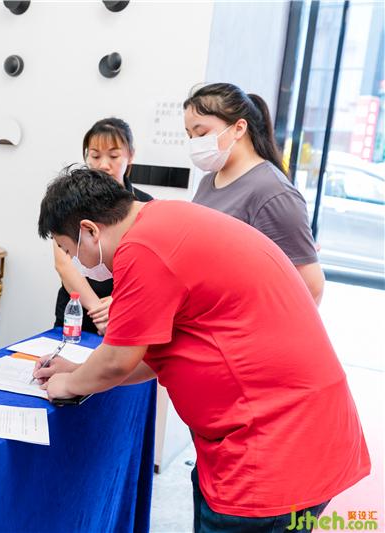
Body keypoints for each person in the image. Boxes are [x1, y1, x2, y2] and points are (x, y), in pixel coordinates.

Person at [34, 167, 369, 532]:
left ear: (89, 230)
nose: (77, 263)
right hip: (293, 432)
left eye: (70, 250)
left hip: (273, 445)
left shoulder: (141, 249)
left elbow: (117, 360)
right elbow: (152, 353)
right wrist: (78, 370)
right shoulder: (164, 220)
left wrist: (68, 385)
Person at [184, 82, 325, 304]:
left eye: (201, 133)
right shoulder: (208, 181)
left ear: (239, 128)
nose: (194, 143)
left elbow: (311, 287)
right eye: (190, 135)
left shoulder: (273, 192)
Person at [53, 118, 153, 335]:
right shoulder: (71, 200)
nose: (103, 165)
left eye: (114, 156)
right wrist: (98, 312)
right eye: (95, 156)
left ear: (130, 156)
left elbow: (150, 271)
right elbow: (64, 263)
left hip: (124, 309)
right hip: (78, 308)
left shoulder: (145, 205)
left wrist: (119, 304)